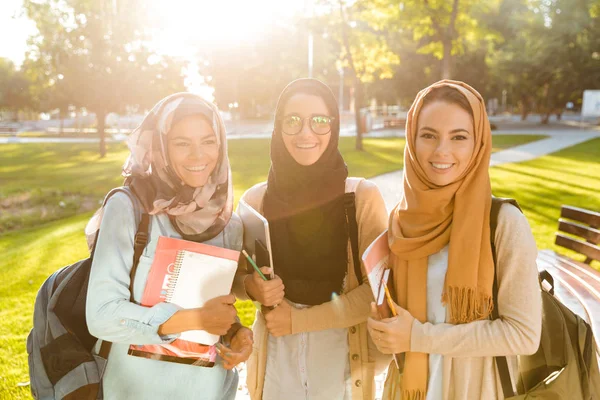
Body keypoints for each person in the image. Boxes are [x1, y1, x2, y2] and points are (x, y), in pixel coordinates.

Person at [367, 80, 542, 400]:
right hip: (408, 387)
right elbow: (400, 319)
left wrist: (418, 337)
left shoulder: (503, 224)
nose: (441, 151)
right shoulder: (401, 221)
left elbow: (524, 335)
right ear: (412, 140)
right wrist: (385, 333)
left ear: (478, 144)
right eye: (428, 135)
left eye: (459, 137)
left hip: (473, 389)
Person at [86, 93, 252, 400]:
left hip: (207, 391)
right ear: (160, 146)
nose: (197, 155)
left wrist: (235, 334)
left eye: (208, 141)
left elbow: (215, 308)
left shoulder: (228, 223)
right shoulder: (130, 208)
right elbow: (101, 315)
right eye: (181, 143)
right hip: (132, 390)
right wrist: (196, 318)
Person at [231, 78, 389, 400]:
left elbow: (378, 290)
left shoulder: (360, 198)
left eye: (319, 121)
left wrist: (299, 322)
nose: (306, 133)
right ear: (278, 127)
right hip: (276, 363)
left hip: (343, 362)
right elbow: (234, 279)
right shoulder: (256, 201)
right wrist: (251, 287)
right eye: (292, 121)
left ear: (333, 126)